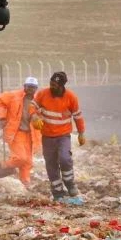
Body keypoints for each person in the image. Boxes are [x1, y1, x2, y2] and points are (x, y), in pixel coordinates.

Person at [34, 71, 86, 200]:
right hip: (47, 136)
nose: (52, 87)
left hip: (63, 136)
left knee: (65, 159)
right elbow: (32, 107)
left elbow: (77, 116)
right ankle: (57, 192)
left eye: (55, 85)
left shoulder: (71, 97)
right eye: (51, 83)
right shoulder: (42, 94)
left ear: (62, 86)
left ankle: (70, 183)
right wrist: (34, 117)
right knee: (50, 163)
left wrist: (81, 133)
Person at [0, 77, 40, 186]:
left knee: (28, 161)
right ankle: (4, 165)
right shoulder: (14, 96)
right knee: (20, 158)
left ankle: (25, 181)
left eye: (33, 87)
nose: (30, 89)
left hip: (31, 134)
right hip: (16, 132)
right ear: (24, 86)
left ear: (36, 88)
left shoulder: (38, 101)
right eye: (29, 86)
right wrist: (2, 117)